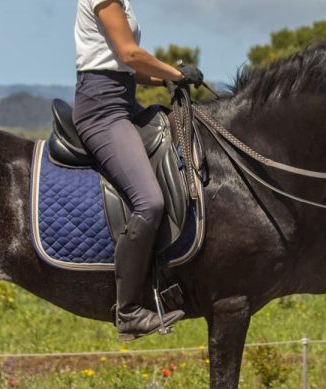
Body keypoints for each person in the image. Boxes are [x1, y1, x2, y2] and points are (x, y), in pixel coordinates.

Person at [72, 0, 203, 340]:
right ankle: (128, 311)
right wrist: (175, 72)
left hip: (124, 102)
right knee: (150, 201)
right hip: (101, 110)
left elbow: (129, 68)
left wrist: (165, 80)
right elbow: (130, 54)